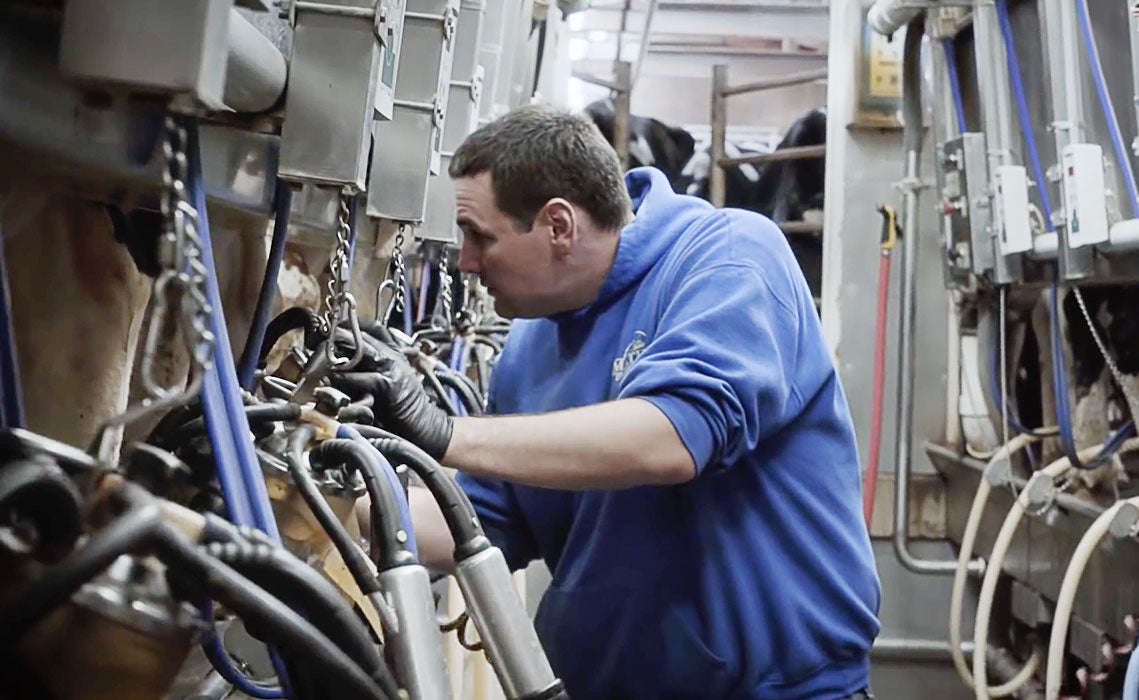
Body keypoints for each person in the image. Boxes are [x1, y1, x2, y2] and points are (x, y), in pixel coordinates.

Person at [331, 105, 881, 700]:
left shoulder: (727, 255)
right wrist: (329, 488)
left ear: (558, 225)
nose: (465, 261)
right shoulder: (529, 344)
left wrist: (442, 432)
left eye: (480, 236)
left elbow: (673, 437)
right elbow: (481, 522)